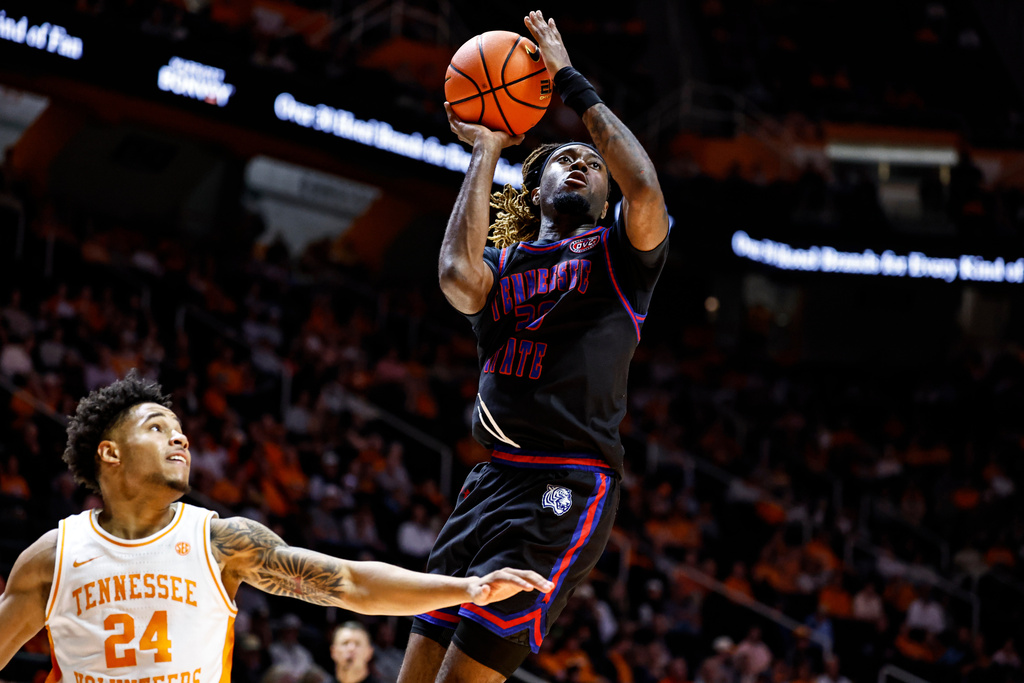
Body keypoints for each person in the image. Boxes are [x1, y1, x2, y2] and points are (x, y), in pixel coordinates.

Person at [399, 10, 669, 683]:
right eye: (565, 159)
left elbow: (644, 187)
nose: (581, 164)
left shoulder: (617, 255)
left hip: (565, 481)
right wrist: (486, 147)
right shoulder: (503, 260)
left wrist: (571, 84)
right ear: (536, 186)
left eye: (590, 164)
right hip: (488, 481)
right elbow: (457, 278)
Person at [0, 371, 553, 680]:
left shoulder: (221, 543)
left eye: (180, 428)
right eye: (156, 426)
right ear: (110, 454)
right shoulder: (54, 556)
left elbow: (352, 584)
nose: (180, 438)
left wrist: (467, 589)